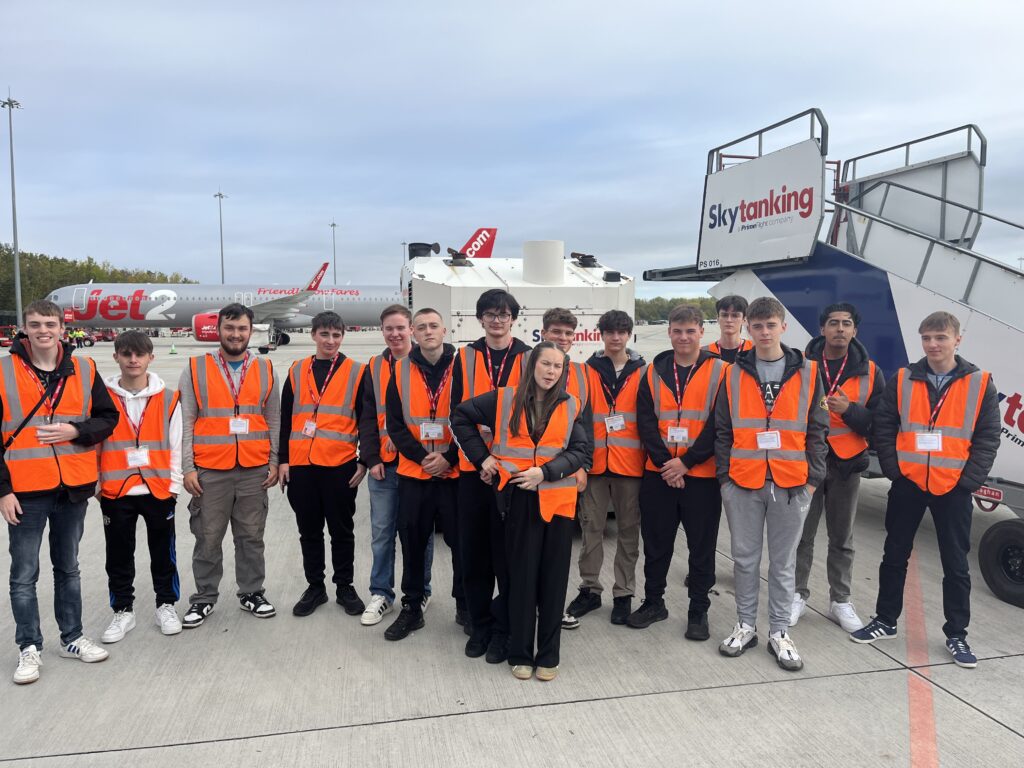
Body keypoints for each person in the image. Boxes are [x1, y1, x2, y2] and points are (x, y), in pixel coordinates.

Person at [852, 311, 999, 668]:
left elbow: (988, 437)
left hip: (953, 488)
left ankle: (956, 634)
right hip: (910, 483)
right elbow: (884, 425)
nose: (933, 345)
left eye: (941, 338)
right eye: (927, 338)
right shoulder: (903, 378)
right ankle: (885, 620)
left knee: (955, 564)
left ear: (957, 340)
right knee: (893, 555)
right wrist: (894, 470)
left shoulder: (980, 383)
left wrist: (968, 482)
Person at [452, 342, 589, 681]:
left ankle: (549, 655)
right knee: (522, 579)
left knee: (554, 582)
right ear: (533, 366)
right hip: (517, 501)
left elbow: (581, 450)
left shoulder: (571, 404)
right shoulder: (503, 399)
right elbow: (460, 417)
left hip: (557, 502)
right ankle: (520, 652)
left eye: (558, 367)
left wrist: (546, 472)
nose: (551, 372)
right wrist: (482, 458)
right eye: (546, 364)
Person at [1, 300, 118, 685]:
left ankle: (72, 637)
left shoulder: (84, 367)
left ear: (62, 328)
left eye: (49, 323)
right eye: (35, 324)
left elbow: (107, 418)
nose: (42, 330)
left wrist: (75, 431)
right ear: (25, 328)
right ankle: (29, 648)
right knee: (24, 574)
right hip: (26, 490)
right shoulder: (4, 371)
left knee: (68, 568)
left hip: (72, 488)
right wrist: (3, 491)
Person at [714, 297, 828, 671]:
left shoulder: (809, 372)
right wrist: (725, 479)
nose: (764, 332)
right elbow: (723, 429)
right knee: (745, 560)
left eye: (770, 325)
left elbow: (817, 430)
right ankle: (746, 624)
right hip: (743, 483)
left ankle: (779, 631)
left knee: (783, 564)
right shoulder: (731, 373)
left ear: (783, 327)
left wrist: (812, 480)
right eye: (757, 326)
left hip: (791, 483)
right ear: (748, 328)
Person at [178, 303, 280, 628]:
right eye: (230, 328)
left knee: (251, 536)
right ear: (219, 330)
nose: (236, 334)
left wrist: (275, 461)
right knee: (208, 537)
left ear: (251, 331)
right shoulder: (195, 367)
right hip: (210, 470)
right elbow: (186, 421)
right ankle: (204, 598)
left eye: (242, 329)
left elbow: (273, 418)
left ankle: (252, 592)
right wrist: (188, 467)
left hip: (253, 469)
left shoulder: (265, 368)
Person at [631, 305, 727, 641]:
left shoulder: (722, 371)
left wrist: (685, 462)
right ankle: (654, 602)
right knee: (656, 544)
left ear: (703, 331)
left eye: (690, 330)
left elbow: (720, 424)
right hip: (659, 474)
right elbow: (644, 422)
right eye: (677, 330)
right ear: (669, 332)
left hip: (701, 476)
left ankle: (698, 609)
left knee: (702, 547)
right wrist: (665, 464)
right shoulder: (652, 372)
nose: (683, 337)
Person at [792, 303, 885, 633]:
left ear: (855, 331)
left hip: (846, 466)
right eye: (834, 323)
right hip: (808, 464)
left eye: (847, 324)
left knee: (841, 538)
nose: (840, 329)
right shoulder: (801, 366)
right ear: (822, 329)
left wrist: (849, 411)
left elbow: (878, 424)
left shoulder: (870, 371)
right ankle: (797, 595)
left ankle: (840, 600)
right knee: (802, 536)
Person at [453, 289, 531, 663]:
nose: (497, 320)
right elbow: (457, 413)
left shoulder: (529, 358)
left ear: (513, 319)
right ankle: (480, 623)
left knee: (509, 555)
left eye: (503, 314)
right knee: (475, 552)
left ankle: (505, 627)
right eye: (490, 314)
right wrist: (480, 457)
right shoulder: (464, 357)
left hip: (513, 473)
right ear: (480, 319)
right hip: (474, 469)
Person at [383, 308, 465, 641]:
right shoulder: (400, 370)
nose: (428, 331)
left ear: (444, 330)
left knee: (462, 545)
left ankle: (466, 607)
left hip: (454, 474)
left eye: (434, 325)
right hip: (414, 474)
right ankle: (412, 607)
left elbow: (473, 420)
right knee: (413, 544)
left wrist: (449, 458)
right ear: (413, 334)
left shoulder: (463, 367)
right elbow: (395, 424)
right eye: (421, 327)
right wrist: (423, 458)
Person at [97, 330, 183, 644]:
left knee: (163, 553)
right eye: (127, 354)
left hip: (157, 488)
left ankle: (166, 605)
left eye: (140, 354)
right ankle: (123, 610)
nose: (133, 360)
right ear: (116, 356)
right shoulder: (101, 398)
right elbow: (94, 443)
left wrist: (173, 485)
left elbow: (175, 443)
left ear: (150, 357)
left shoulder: (169, 397)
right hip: (116, 489)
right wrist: (97, 484)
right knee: (118, 554)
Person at [279, 312, 367, 618]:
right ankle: (315, 586)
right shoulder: (296, 369)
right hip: (301, 465)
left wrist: (365, 459)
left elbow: (367, 420)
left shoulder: (357, 372)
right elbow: (285, 417)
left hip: (340, 464)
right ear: (313, 334)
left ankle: (345, 586)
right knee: (309, 531)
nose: (330, 341)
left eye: (336, 335)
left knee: (342, 531)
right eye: (325, 334)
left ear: (343, 337)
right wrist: (282, 460)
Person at [565, 309, 646, 627]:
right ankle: (590, 589)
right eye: (610, 331)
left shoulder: (643, 371)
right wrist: (580, 462)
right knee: (591, 531)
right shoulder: (586, 371)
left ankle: (624, 593)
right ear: (601, 334)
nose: (616, 337)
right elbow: (578, 418)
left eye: (622, 331)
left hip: (631, 466)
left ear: (629, 335)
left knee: (628, 533)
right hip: (595, 465)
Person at [357, 304, 435, 626]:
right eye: (389, 328)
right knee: (382, 532)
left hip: (418, 465)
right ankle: (382, 593)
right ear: (382, 331)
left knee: (420, 534)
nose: (395, 334)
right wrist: (371, 457)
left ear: (412, 330)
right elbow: (366, 417)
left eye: (401, 328)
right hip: (385, 467)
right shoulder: (374, 367)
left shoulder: (427, 363)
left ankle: (422, 590)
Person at [703, 295, 753, 363]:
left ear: (744, 319)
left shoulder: (755, 351)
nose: (729, 320)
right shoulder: (704, 353)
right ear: (717, 318)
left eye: (735, 316)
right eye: (724, 315)